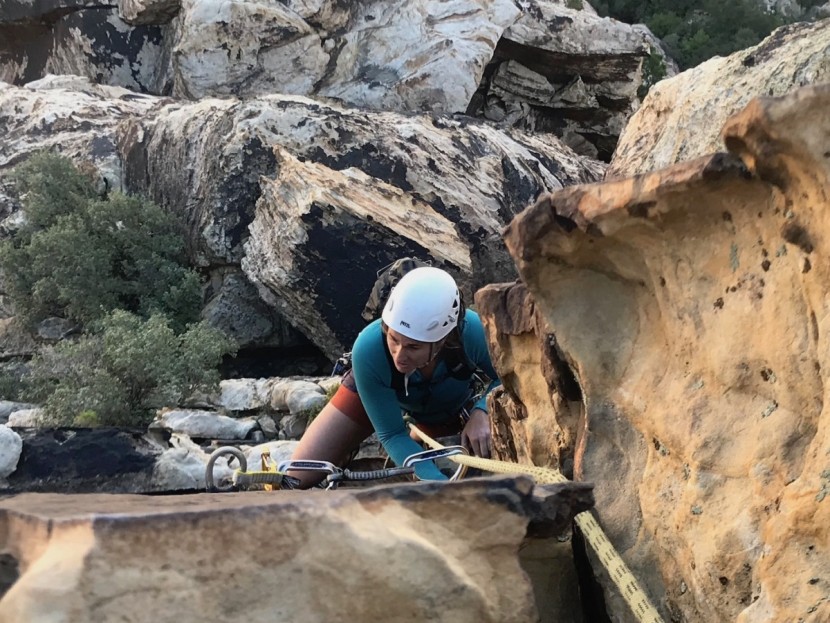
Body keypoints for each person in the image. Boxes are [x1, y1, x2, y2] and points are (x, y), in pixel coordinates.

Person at [287, 266, 502, 488]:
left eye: (413, 347)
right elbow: (392, 434)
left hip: (449, 405)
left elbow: (507, 378)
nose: (399, 356)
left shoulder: (473, 333)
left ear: (443, 340)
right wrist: (439, 486)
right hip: (375, 389)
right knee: (297, 476)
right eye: (394, 339)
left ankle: (419, 438)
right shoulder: (370, 349)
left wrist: (483, 410)